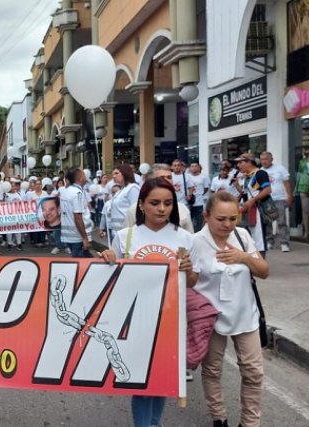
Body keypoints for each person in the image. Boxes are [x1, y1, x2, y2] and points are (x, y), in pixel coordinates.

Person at [99, 177, 199, 427]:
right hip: (135, 320)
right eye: (154, 203)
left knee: (162, 378)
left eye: (167, 203)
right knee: (142, 380)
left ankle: (154, 423)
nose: (162, 209)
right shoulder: (125, 237)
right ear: (141, 205)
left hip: (171, 320)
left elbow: (192, 283)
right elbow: (112, 278)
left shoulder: (186, 239)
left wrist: (188, 270)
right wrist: (107, 258)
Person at [193, 191, 269, 427]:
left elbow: (264, 271)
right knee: (212, 370)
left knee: (253, 372)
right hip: (211, 318)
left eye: (233, 218)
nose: (227, 224)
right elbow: (190, 283)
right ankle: (219, 418)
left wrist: (244, 257)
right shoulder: (194, 242)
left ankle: (250, 422)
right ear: (206, 216)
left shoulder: (243, 236)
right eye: (221, 219)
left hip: (245, 315)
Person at [123, 164, 194, 233]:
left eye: (169, 177)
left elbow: (190, 238)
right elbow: (127, 237)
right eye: (162, 178)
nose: (167, 181)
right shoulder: (134, 210)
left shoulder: (182, 209)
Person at [233, 153, 271, 257]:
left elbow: (267, 190)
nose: (238, 165)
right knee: (251, 236)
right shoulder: (248, 176)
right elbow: (246, 194)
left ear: (249, 162)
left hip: (258, 210)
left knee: (259, 238)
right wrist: (237, 187)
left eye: (241, 162)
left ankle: (261, 262)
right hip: (249, 210)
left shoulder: (260, 173)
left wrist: (252, 200)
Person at [260, 151, 293, 252]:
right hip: (266, 200)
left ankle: (284, 243)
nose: (263, 161)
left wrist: (289, 196)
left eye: (266, 159)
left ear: (271, 159)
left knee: (281, 221)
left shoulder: (280, 168)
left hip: (279, 198)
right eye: (262, 159)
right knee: (267, 222)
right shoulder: (260, 171)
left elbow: (286, 182)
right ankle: (269, 241)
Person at [60, 167, 93, 258]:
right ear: (80, 177)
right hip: (77, 237)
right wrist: (85, 238)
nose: (85, 176)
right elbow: (78, 217)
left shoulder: (66, 192)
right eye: (83, 174)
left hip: (70, 236)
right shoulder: (77, 193)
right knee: (81, 266)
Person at [102, 164, 141, 242]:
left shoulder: (133, 188)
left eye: (116, 173)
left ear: (125, 173)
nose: (113, 176)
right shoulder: (121, 190)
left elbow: (136, 211)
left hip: (127, 234)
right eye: (113, 174)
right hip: (117, 233)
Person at [187, 161, 210, 232]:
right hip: (188, 202)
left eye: (195, 166)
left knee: (198, 222)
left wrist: (200, 194)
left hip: (199, 202)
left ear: (199, 167)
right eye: (192, 166)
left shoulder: (204, 177)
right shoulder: (187, 176)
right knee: (188, 221)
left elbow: (206, 188)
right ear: (190, 168)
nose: (194, 168)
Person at [4, 178, 25, 251]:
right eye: (11, 186)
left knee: (18, 229)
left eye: (14, 186)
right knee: (9, 230)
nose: (13, 187)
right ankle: (9, 243)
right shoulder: (6, 195)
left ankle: (19, 243)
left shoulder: (18, 194)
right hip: (9, 215)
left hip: (17, 215)